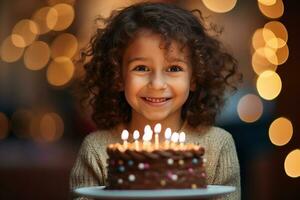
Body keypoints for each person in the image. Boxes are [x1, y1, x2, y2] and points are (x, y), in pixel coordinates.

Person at [70, 2, 241, 200]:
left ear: (194, 78)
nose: (157, 84)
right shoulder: (97, 149)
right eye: (141, 68)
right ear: (118, 76)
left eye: (174, 68)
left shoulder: (218, 146)